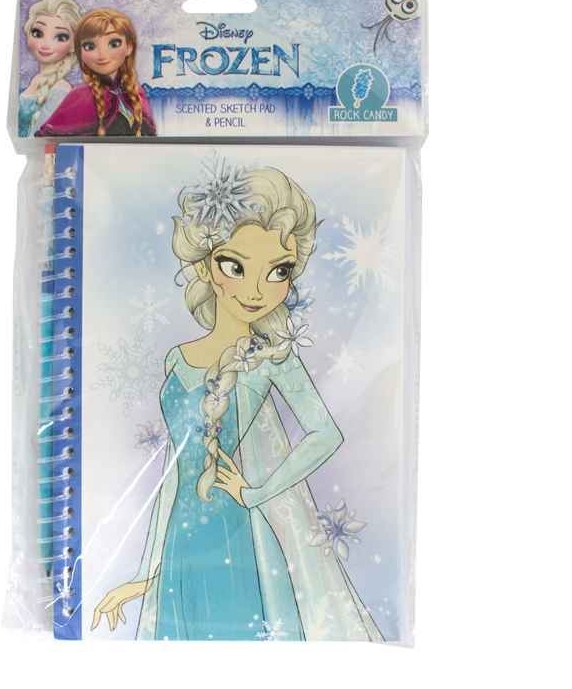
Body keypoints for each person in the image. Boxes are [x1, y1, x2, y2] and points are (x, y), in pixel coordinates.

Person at [91, 157, 383, 641]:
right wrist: (143, 574)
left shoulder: (271, 357)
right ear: (206, 266)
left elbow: (325, 432)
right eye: (236, 266)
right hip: (180, 547)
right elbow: (172, 475)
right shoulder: (177, 361)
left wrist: (257, 492)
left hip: (241, 540)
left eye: (278, 271)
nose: (257, 289)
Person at [36, 8, 156, 137]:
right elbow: (48, 139)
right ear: (80, 53)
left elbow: (151, 138)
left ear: (129, 47)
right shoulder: (78, 96)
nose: (102, 55)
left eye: (114, 44)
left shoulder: (137, 92)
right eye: (90, 47)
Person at [18, 0, 81, 137]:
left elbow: (41, 136)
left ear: (72, 45)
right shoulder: (35, 80)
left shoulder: (60, 88)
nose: (45, 45)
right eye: (38, 33)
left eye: (60, 37)